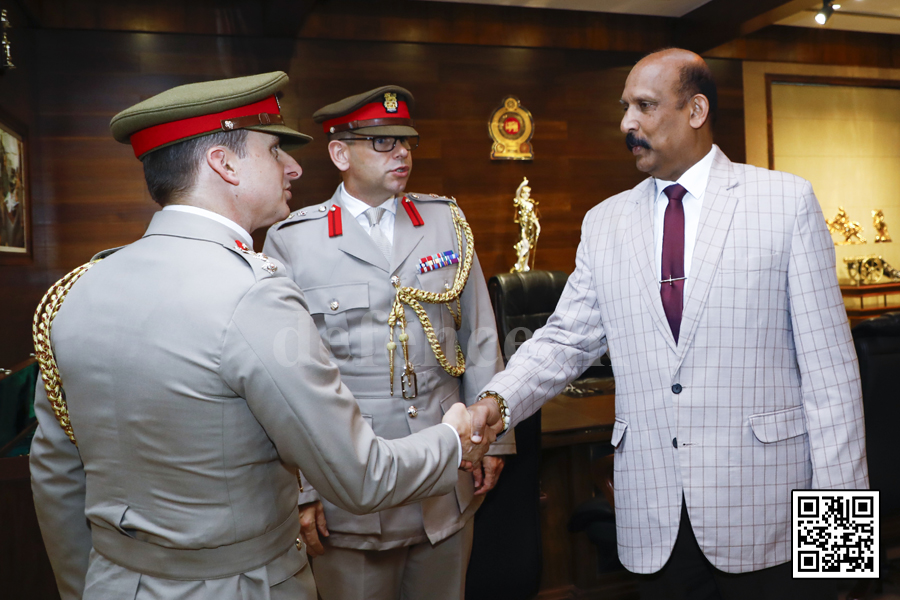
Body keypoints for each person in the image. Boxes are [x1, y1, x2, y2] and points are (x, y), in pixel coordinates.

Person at [29, 72, 498, 600]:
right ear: (223, 164)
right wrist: (457, 440)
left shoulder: (74, 292)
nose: (294, 166)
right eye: (274, 150)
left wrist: (88, 586)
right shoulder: (254, 293)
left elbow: (56, 474)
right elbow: (359, 475)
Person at [469, 49, 868, 600]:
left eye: (645, 106)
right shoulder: (604, 222)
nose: (626, 123)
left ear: (696, 109)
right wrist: (495, 403)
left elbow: (832, 378)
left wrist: (844, 551)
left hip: (770, 518)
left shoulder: (785, 203)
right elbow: (563, 340)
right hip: (655, 521)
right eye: (625, 107)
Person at [262, 85, 512, 600]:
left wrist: (493, 438)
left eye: (406, 142)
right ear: (339, 153)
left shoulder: (444, 220)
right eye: (381, 142)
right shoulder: (293, 239)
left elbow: (481, 334)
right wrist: (302, 490)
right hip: (352, 495)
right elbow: (285, 383)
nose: (401, 153)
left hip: (448, 476)